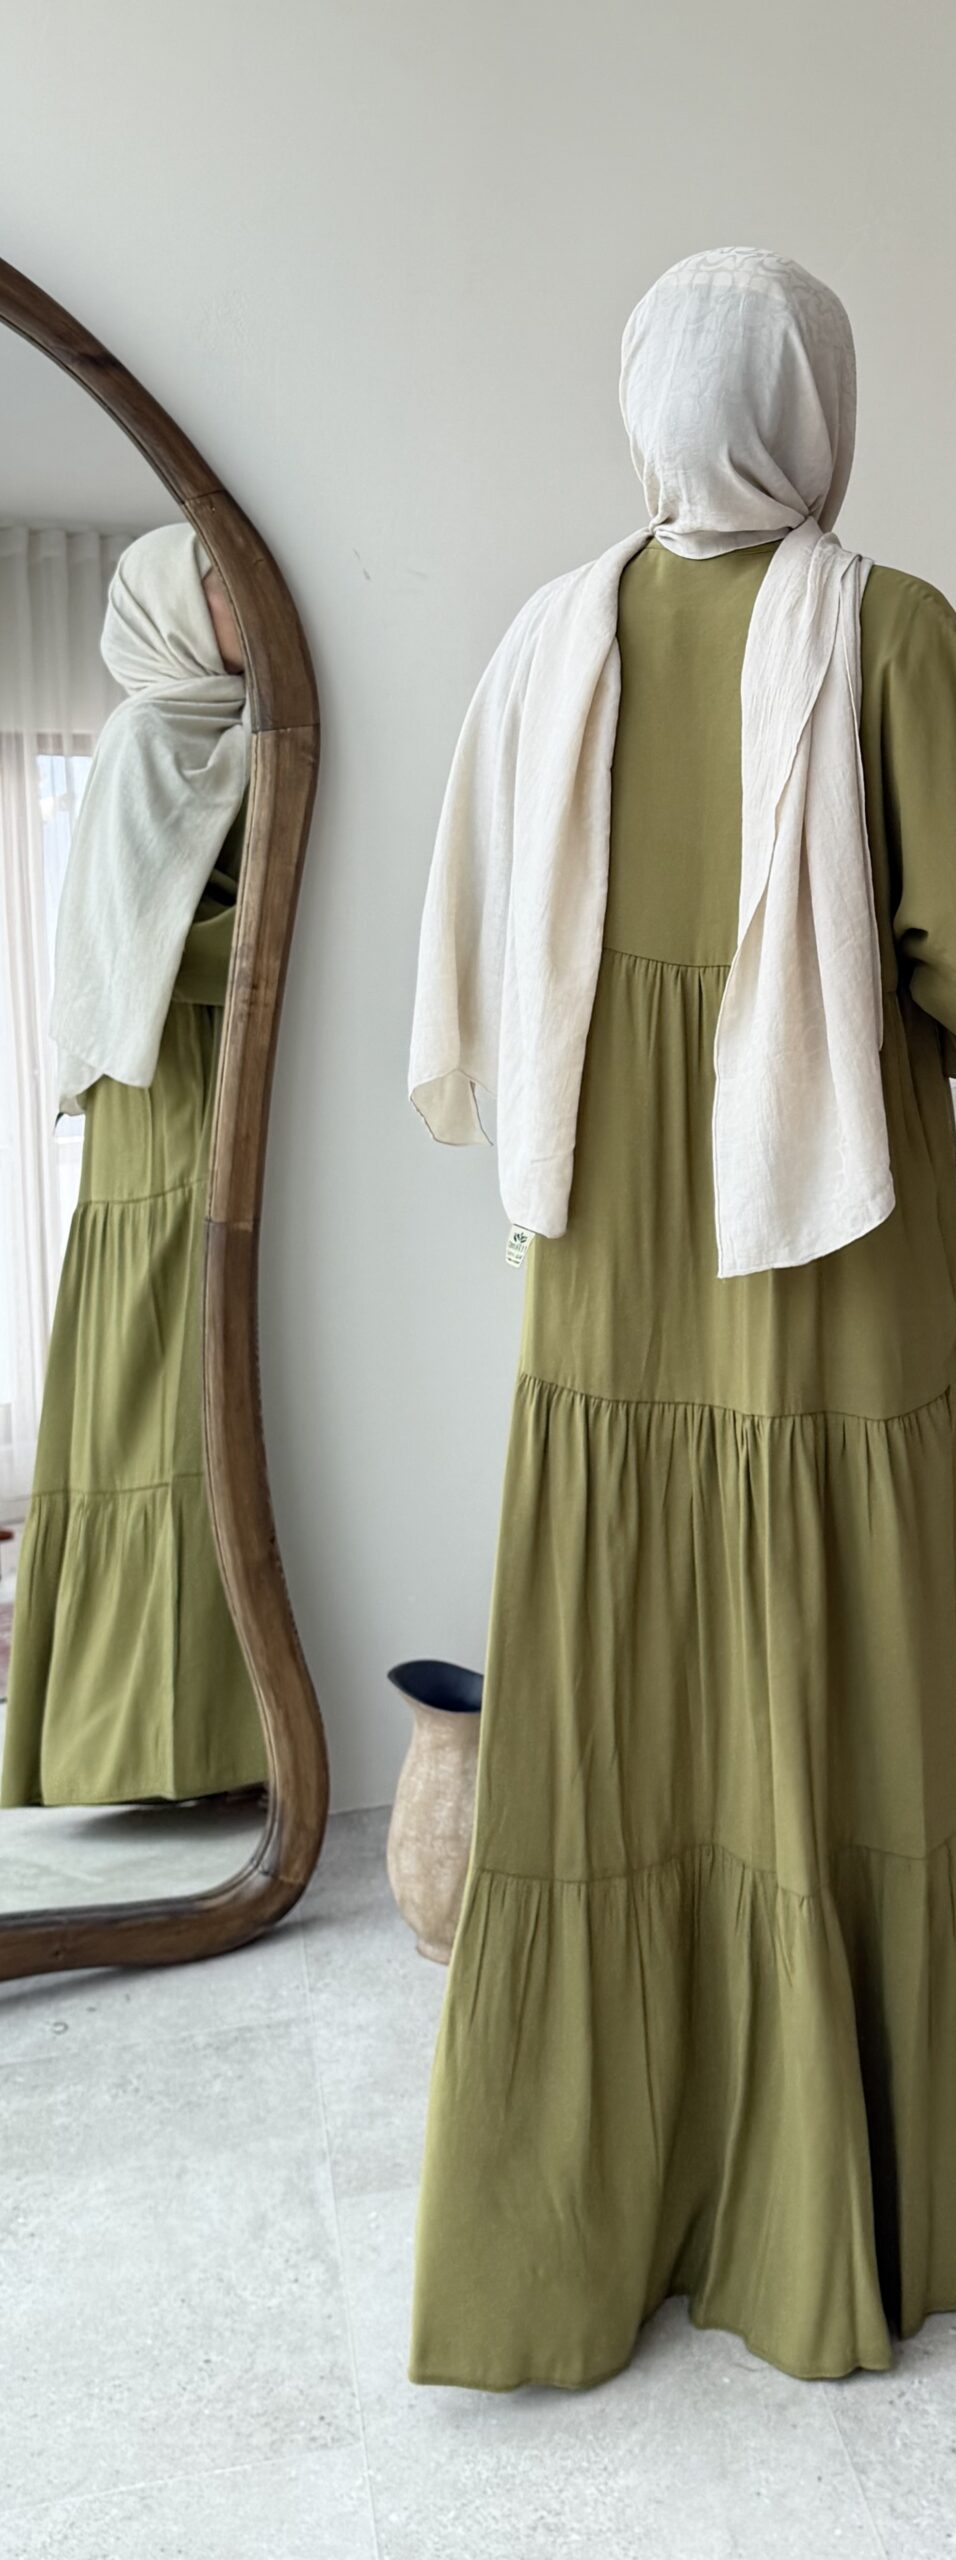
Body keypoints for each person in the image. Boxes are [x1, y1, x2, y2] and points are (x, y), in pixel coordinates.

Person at [407, 246, 956, 2388]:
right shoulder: (890, 633)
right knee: (856, 1660)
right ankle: (834, 2185)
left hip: (604, 1253)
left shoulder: (543, 640)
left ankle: (588, 2204)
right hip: (828, 1242)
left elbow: (472, 933)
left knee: (620, 1685)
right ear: (814, 407)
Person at [0, 523, 265, 1809]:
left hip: (213, 1088)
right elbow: (145, 945)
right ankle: (132, 1748)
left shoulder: (239, 739)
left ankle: (216, 1735)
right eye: (217, 584)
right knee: (157, 1403)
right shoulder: (145, 740)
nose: (239, 601)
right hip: (160, 1101)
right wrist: (283, 917)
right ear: (172, 603)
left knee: (201, 1400)